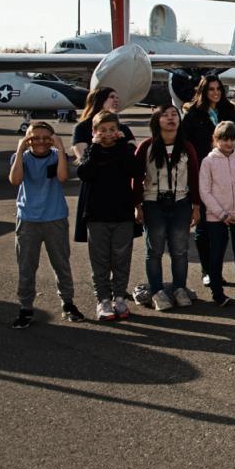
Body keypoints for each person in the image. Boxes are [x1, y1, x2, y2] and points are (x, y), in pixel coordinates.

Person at [9, 121, 83, 327]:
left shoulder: (55, 156)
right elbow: (15, 180)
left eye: (45, 138)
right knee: (26, 265)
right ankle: (25, 307)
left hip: (54, 217)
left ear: (52, 139)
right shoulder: (21, 157)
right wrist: (20, 148)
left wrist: (59, 149)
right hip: (28, 219)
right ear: (27, 139)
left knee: (61, 263)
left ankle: (68, 303)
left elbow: (62, 177)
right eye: (34, 138)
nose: (40, 142)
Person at [133, 105, 201, 311]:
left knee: (180, 250)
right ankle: (157, 291)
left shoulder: (187, 147)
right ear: (156, 120)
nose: (171, 119)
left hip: (180, 202)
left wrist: (196, 206)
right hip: (153, 202)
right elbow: (136, 178)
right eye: (165, 115)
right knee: (154, 250)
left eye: (174, 115)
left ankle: (180, 288)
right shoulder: (146, 147)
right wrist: (137, 205)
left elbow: (194, 178)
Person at [76, 110, 138, 321]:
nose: (108, 133)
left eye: (112, 129)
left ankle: (119, 297)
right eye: (102, 130)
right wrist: (94, 146)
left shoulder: (124, 150)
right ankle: (103, 300)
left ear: (119, 131)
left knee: (122, 259)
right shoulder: (91, 152)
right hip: (97, 215)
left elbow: (133, 170)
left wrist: (122, 145)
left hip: (122, 214)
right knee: (100, 261)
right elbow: (85, 173)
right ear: (94, 132)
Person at [181, 75, 235, 286]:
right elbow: (186, 147)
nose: (215, 92)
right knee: (204, 227)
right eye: (211, 89)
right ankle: (208, 270)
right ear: (204, 91)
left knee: (233, 228)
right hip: (203, 175)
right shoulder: (192, 115)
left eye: (218, 89)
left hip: (229, 176)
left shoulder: (230, 112)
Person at [199, 121, 235, 306]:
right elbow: (204, 191)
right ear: (215, 140)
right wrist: (222, 214)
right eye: (224, 139)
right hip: (216, 218)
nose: (228, 143)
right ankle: (217, 292)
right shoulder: (208, 162)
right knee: (217, 254)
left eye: (232, 139)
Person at [71, 87, 135, 247]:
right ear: (99, 100)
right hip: (95, 192)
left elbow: (133, 157)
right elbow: (82, 160)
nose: (116, 100)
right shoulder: (82, 128)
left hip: (120, 190)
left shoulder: (124, 129)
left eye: (117, 97)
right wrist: (97, 147)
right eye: (111, 97)